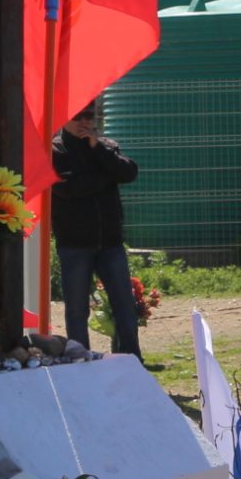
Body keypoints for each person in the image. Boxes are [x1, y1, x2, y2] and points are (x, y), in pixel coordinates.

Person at [52, 101, 143, 357]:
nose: (83, 122)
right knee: (77, 309)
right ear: (64, 119)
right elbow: (69, 190)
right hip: (74, 244)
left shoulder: (107, 147)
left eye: (88, 116)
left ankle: (132, 359)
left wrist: (99, 150)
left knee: (125, 304)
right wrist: (106, 177)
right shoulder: (55, 151)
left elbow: (129, 172)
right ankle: (81, 361)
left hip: (110, 244)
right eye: (76, 116)